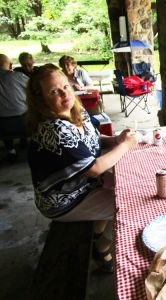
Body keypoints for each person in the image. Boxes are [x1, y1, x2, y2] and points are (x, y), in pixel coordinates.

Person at [26, 64, 137, 272]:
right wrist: (124, 146)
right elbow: (94, 168)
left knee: (125, 185)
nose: (64, 94)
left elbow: (93, 140)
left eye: (65, 86)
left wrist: (115, 140)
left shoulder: (74, 110)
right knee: (130, 205)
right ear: (41, 101)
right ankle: (103, 246)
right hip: (63, 201)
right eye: (53, 91)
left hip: (82, 186)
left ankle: (96, 233)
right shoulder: (55, 128)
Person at [0, 54, 29, 162]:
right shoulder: (18, 76)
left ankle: (10, 150)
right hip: (23, 123)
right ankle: (25, 141)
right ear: (11, 65)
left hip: (2, 126)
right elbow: (34, 89)